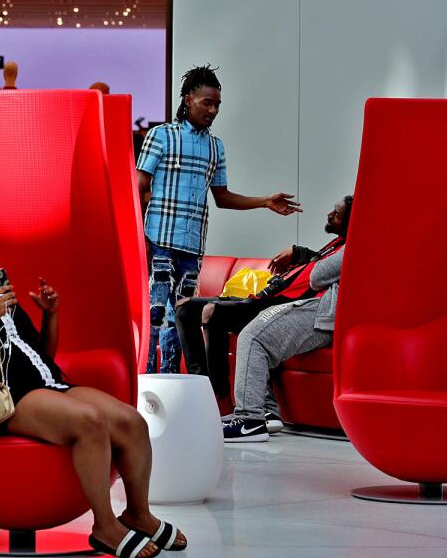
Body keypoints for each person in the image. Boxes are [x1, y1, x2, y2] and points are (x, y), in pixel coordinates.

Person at [0, 222, 185, 558]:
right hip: (6, 401)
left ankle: (138, 513)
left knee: (132, 421)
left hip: (48, 384)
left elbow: (40, 353)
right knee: (91, 422)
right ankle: (105, 526)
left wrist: (49, 316)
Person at [136, 65, 302, 374]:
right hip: (157, 243)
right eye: (207, 103)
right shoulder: (161, 136)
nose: (213, 110)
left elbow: (222, 198)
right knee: (156, 314)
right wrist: (138, 240)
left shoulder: (215, 147)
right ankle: (147, 385)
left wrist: (265, 202)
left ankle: (170, 384)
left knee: (181, 318)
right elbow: (138, 186)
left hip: (192, 249)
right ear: (188, 100)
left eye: (217, 105)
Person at [174, 196, 352, 423]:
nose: (329, 215)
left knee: (213, 313)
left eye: (336, 214)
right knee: (185, 309)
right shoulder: (334, 246)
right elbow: (319, 262)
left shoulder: (350, 248)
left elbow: (321, 274)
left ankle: (223, 403)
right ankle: (201, 393)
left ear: (350, 222)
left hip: (285, 303)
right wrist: (298, 252)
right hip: (267, 295)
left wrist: (301, 256)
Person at [222, 245, 345, 442]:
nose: (331, 214)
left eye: (337, 212)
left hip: (330, 315)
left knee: (252, 336)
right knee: (264, 325)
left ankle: (249, 420)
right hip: (346, 319)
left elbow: (317, 276)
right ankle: (266, 412)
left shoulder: (360, 240)